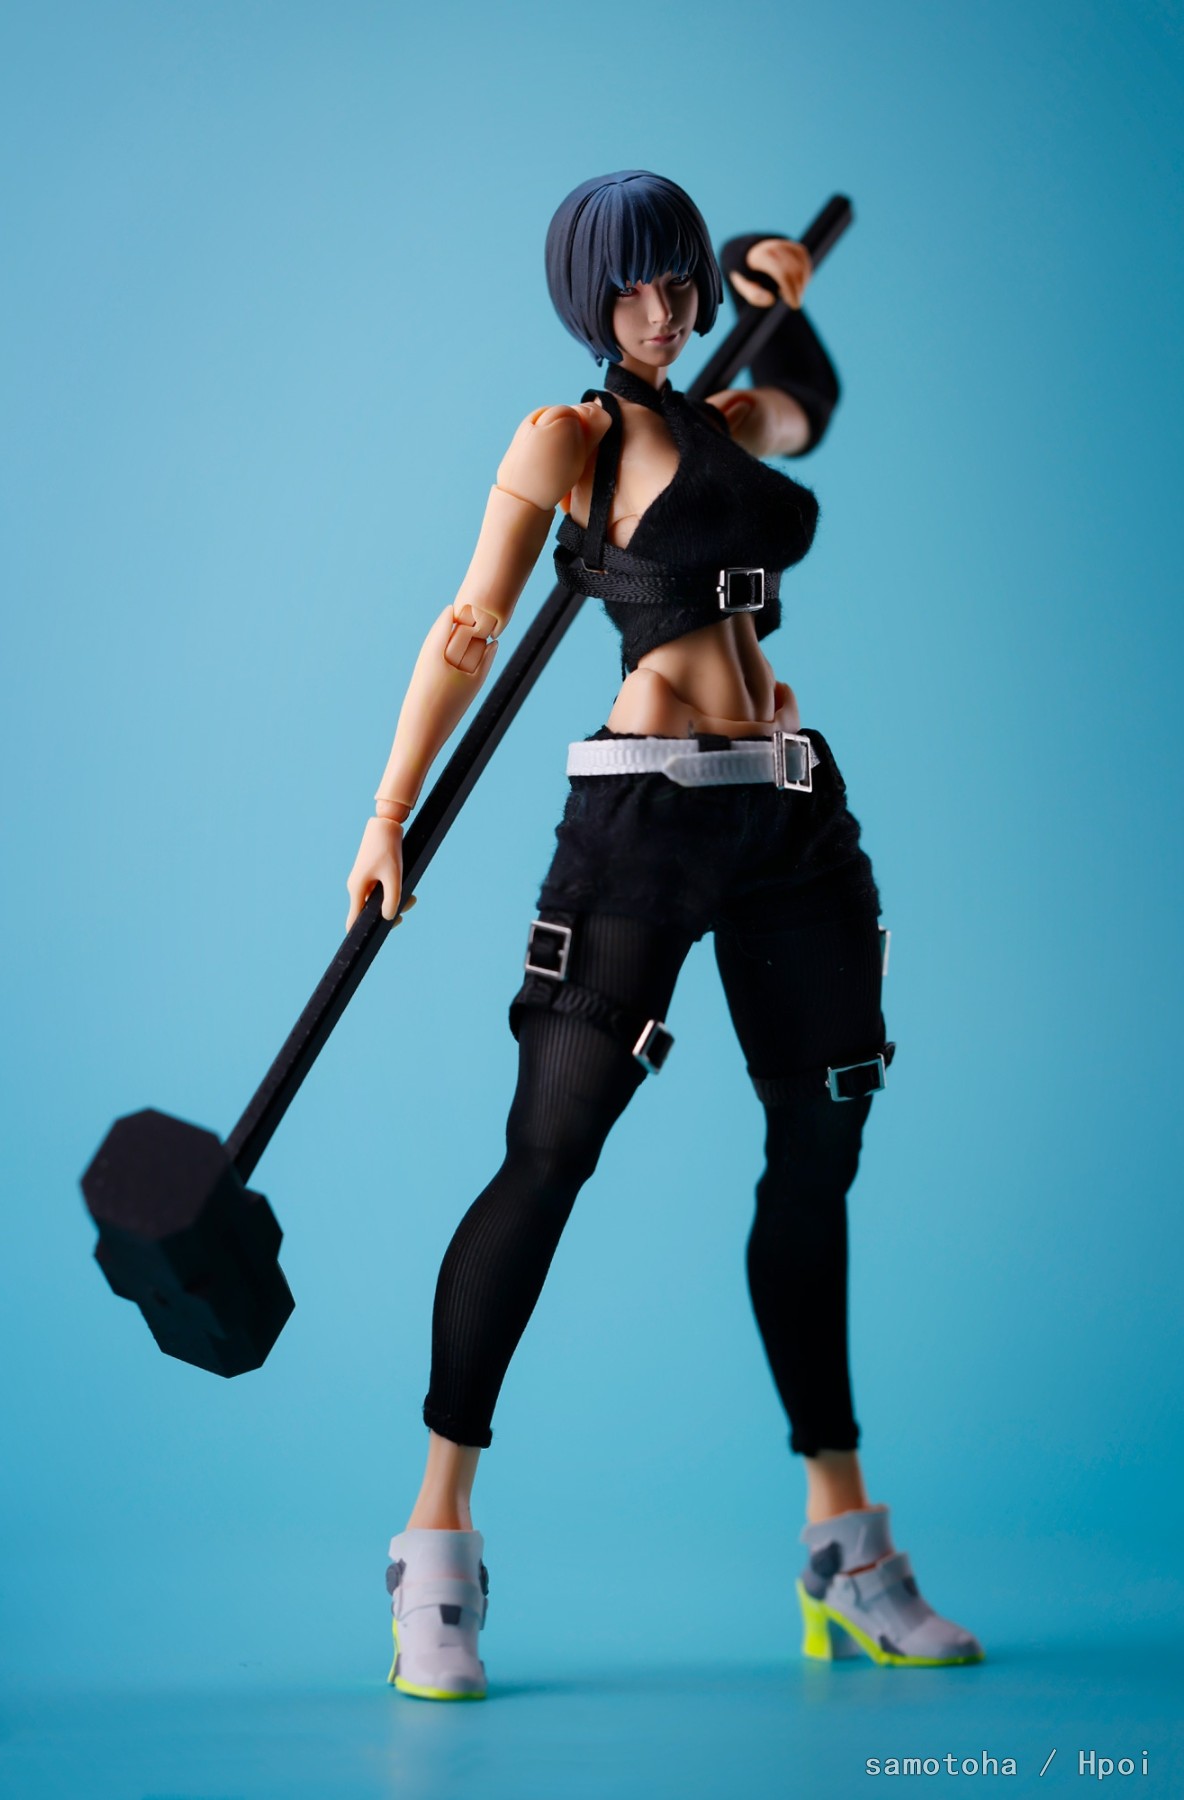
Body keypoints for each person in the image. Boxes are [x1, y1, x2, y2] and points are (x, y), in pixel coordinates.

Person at [346, 171, 983, 1700]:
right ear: (590, 297)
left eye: (682, 284)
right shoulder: (566, 439)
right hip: (646, 816)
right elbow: (469, 626)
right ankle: (436, 1541)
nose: (664, 311)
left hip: (795, 815)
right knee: (549, 1155)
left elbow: (805, 412)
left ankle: (843, 1543)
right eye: (635, 288)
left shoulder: (725, 412)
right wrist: (388, 809)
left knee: (818, 1151)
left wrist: (780, 297)